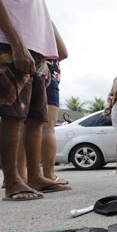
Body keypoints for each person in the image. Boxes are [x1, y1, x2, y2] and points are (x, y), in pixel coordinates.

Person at [0, 0, 70, 200]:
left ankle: (35, 176)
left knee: (36, 118)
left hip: (36, 51)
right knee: (13, 114)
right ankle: (12, 182)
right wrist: (17, 45)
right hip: (8, 43)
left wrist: (44, 59)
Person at [41, 23, 70, 186]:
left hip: (15, 62)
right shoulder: (40, 13)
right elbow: (63, 52)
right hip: (46, 69)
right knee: (47, 126)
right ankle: (48, 175)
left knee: (19, 124)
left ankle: (16, 176)